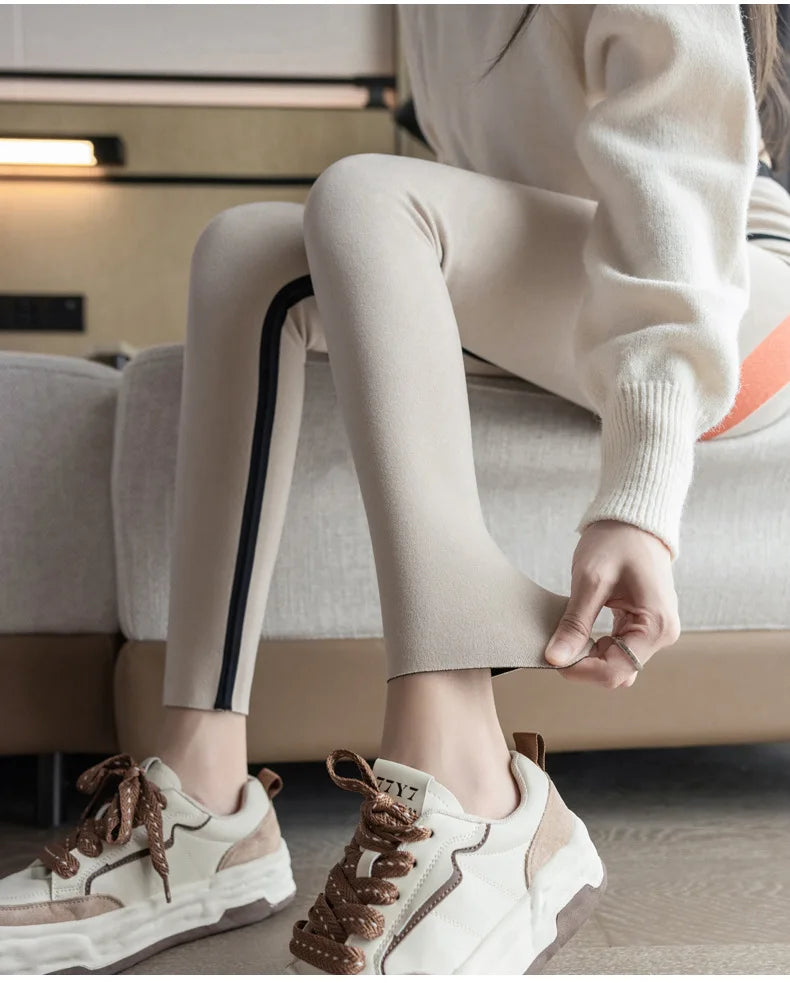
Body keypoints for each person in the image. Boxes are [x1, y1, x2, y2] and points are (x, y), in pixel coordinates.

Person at [2, 4, 789, 976]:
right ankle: (201, 806)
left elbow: (678, 203)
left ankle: (476, 788)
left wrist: (640, 494)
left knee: (369, 194)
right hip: (574, 284)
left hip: (729, 292)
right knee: (243, 247)